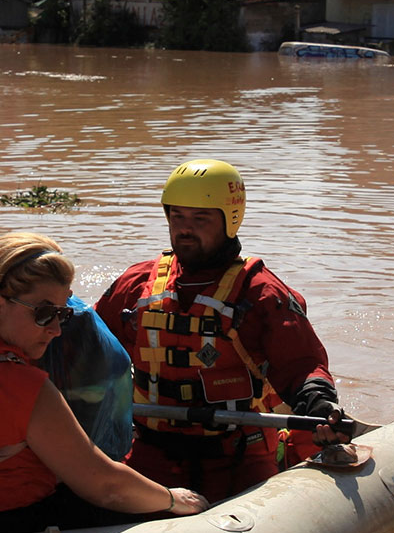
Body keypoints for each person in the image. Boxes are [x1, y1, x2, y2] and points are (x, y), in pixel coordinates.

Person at [0, 231, 207, 533]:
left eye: (63, 313)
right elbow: (106, 486)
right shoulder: (25, 386)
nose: (56, 330)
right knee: (158, 515)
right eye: (43, 314)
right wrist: (172, 498)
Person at [95, 159, 344, 502]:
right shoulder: (137, 284)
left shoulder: (260, 293)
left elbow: (301, 365)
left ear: (230, 221)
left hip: (237, 453)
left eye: (200, 219)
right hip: (151, 450)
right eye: (177, 216)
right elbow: (89, 346)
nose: (185, 228)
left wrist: (319, 404)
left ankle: (288, 451)